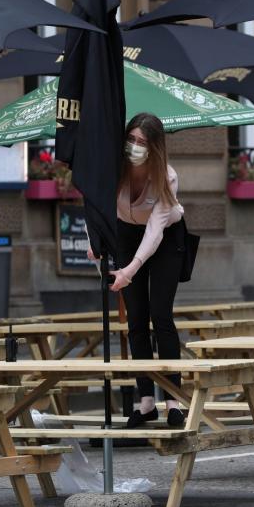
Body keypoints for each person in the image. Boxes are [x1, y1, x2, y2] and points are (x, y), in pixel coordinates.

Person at [86, 112, 187, 428]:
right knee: (136, 319)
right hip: (126, 233)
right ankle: (145, 402)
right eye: (130, 138)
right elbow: (95, 204)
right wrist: (96, 241)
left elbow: (155, 232)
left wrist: (130, 268)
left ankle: (172, 400)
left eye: (142, 142)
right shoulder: (113, 169)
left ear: (154, 147)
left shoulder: (166, 176)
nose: (134, 146)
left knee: (161, 314)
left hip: (167, 239)